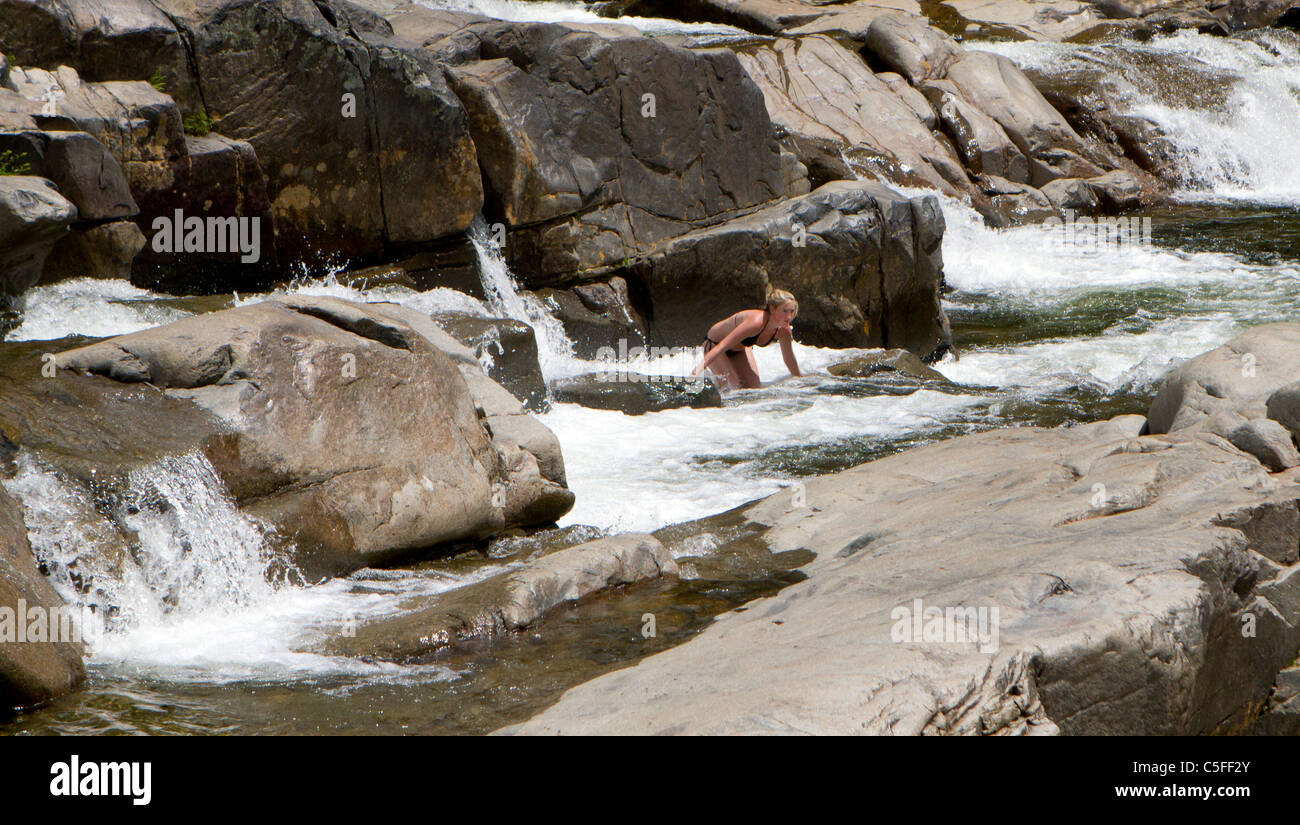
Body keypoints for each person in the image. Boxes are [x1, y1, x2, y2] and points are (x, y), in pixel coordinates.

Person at [691, 288, 802, 390]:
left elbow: (789, 359)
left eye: (791, 311)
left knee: (753, 389)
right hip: (714, 345)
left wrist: (800, 381)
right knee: (732, 388)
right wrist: (697, 371)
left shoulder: (784, 330)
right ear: (772, 309)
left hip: (739, 349)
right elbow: (723, 345)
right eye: (784, 311)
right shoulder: (756, 323)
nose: (788, 317)